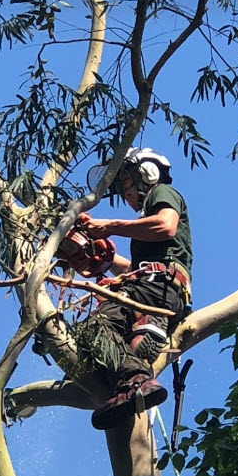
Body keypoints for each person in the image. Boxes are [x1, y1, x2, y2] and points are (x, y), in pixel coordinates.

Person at [80, 147, 192, 431]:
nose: (123, 190)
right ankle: (141, 342)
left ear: (146, 173)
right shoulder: (145, 233)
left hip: (156, 288)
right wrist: (101, 258)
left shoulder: (162, 194)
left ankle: (137, 380)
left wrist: (111, 226)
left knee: (96, 327)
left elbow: (166, 226)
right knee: (111, 350)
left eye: (126, 180)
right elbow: (139, 269)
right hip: (157, 287)